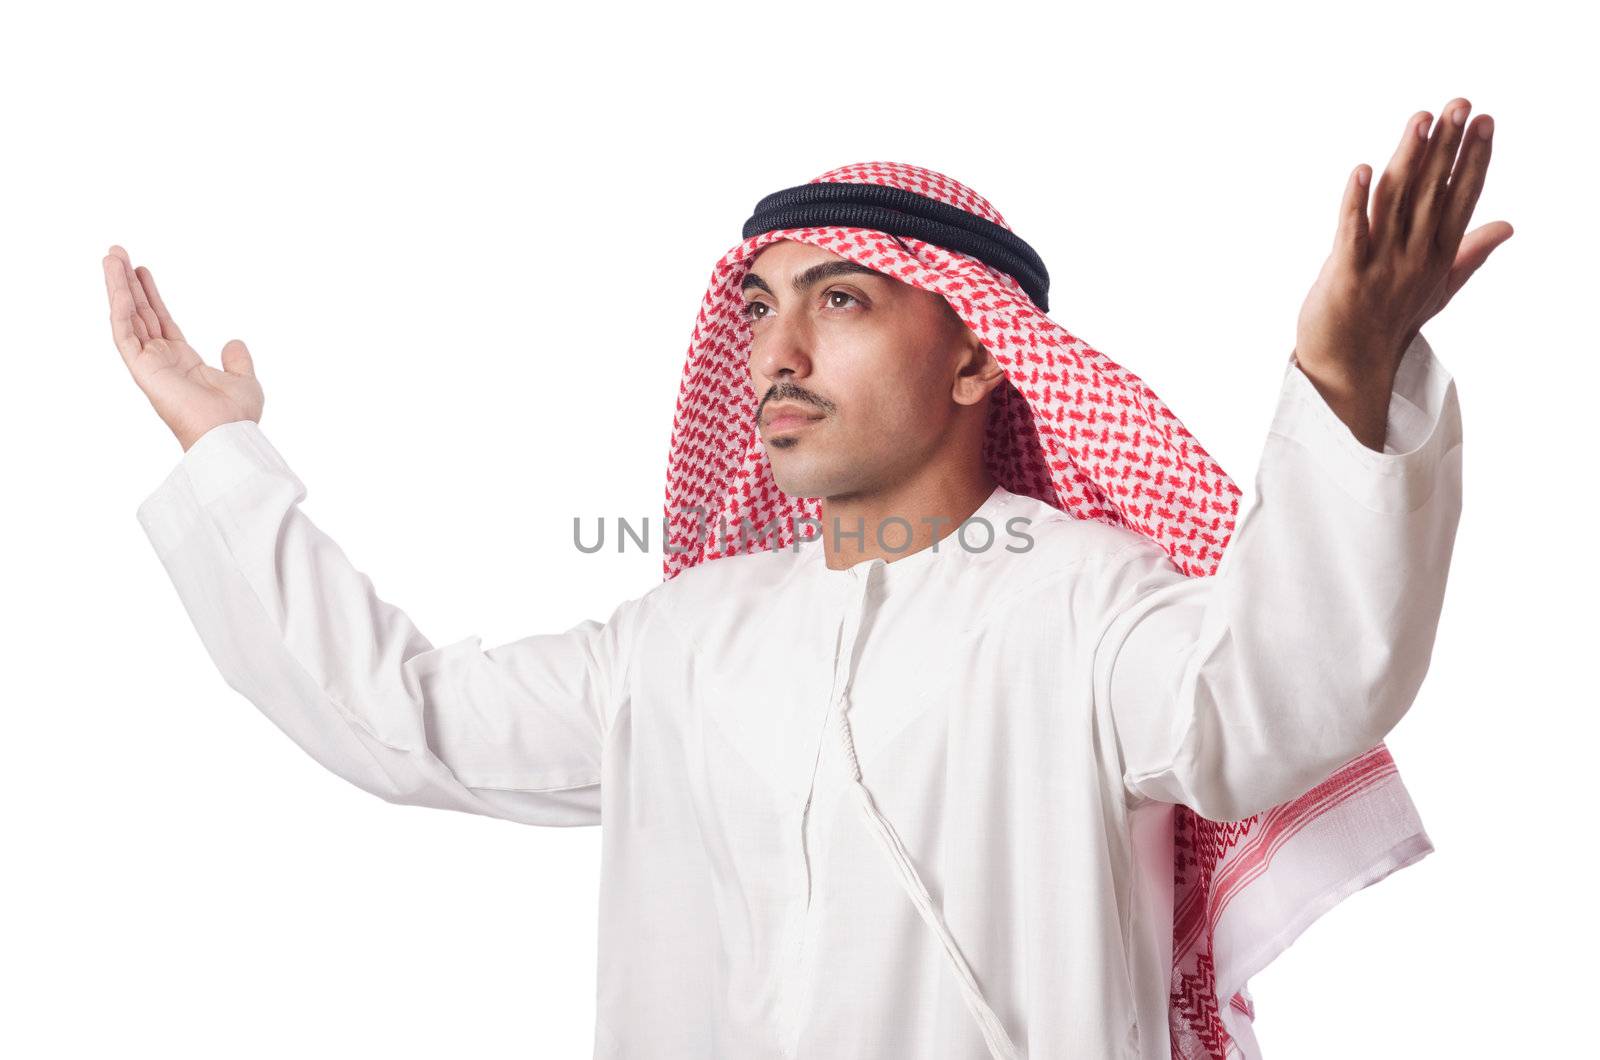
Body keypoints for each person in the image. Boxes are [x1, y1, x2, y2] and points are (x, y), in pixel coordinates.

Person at [107, 97, 1505, 1060]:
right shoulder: (683, 642)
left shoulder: (1089, 603)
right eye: (760, 308)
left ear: (974, 356)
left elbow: (1281, 697)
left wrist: (1341, 380)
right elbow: (397, 715)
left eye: (840, 300)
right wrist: (230, 460)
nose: (777, 355)